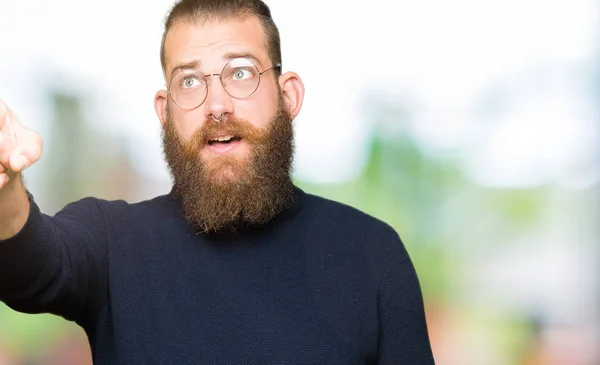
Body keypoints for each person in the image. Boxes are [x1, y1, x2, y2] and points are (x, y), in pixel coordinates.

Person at [0, 0, 435, 363]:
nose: (217, 105)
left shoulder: (371, 254)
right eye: (189, 81)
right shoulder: (113, 243)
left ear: (288, 96)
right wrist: (5, 185)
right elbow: (32, 264)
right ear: (165, 112)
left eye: (241, 72)